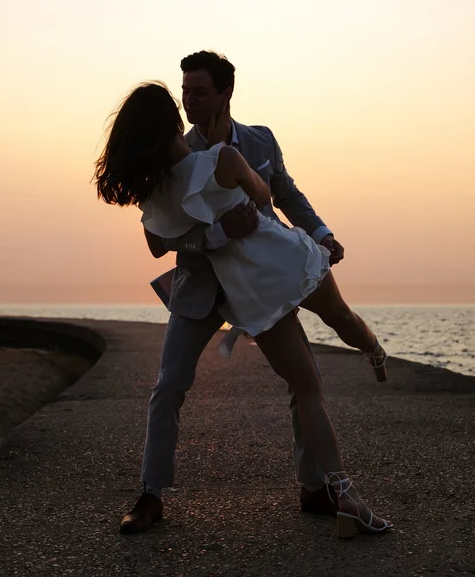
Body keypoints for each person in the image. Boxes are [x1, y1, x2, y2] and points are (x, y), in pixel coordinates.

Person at [94, 65, 391, 538]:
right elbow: (161, 242)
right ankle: (150, 495)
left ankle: (315, 486)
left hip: (262, 280)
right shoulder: (169, 162)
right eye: (184, 92)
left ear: (225, 94)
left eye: (198, 92)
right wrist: (215, 232)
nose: (190, 100)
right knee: (169, 385)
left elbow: (282, 194)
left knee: (307, 376)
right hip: (202, 291)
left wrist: (320, 232)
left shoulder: (257, 141)